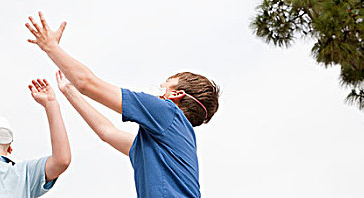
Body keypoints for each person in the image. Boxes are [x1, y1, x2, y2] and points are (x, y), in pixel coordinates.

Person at [26, 12, 220, 198]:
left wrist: (50, 46)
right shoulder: (166, 141)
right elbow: (107, 132)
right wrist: (69, 91)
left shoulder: (167, 113)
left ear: (176, 95)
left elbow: (87, 83)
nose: (158, 92)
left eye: (164, 86)